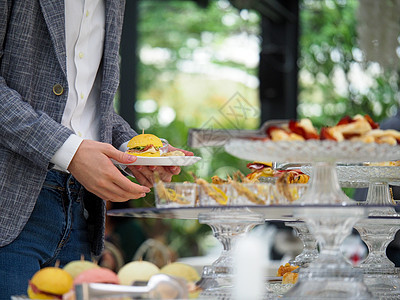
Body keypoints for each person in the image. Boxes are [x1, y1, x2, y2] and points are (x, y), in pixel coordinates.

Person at [0, 1, 192, 297]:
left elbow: (87, 109)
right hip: (10, 211)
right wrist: (69, 151)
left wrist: (136, 154)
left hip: (83, 213)